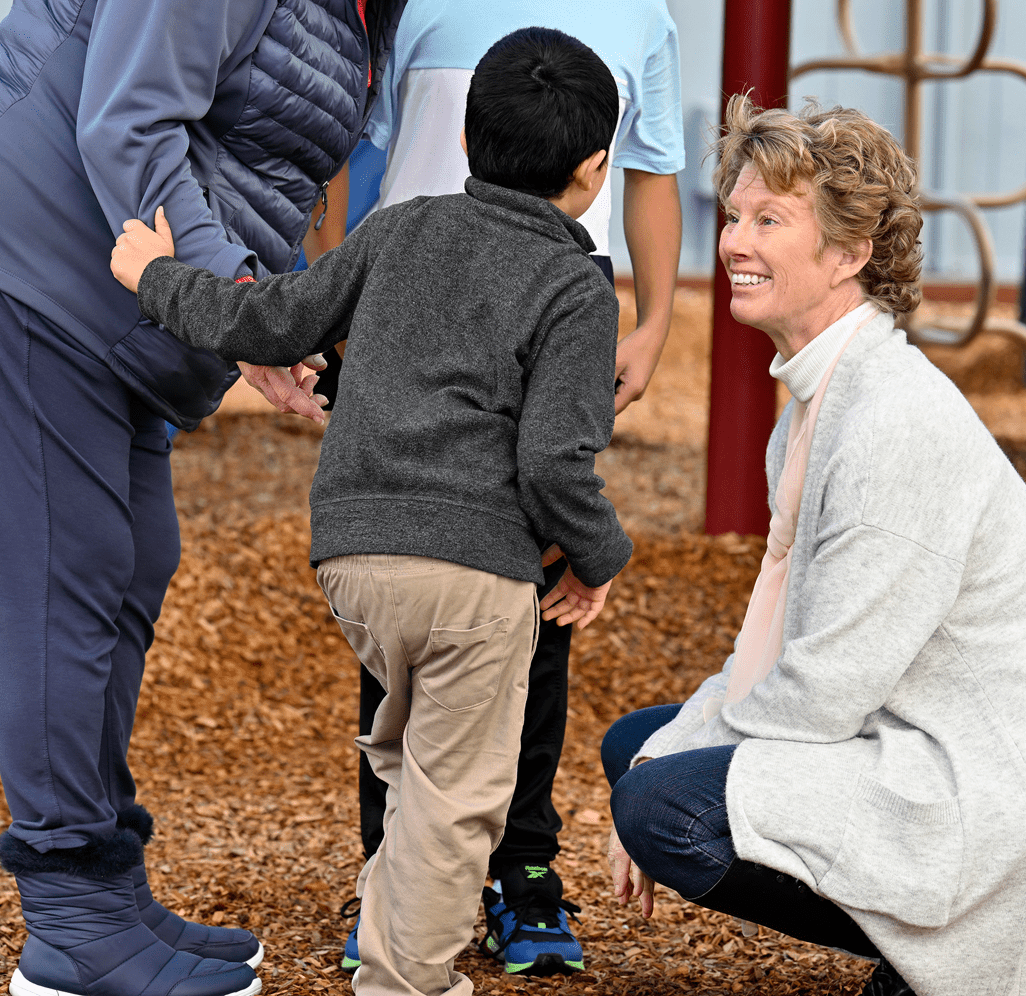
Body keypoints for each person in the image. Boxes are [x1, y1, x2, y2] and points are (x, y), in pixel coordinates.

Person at [110, 27, 634, 996]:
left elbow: (270, 320)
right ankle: (406, 983)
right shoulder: (576, 286)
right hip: (474, 577)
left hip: (354, 562)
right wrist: (601, 557)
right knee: (458, 798)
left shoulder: (400, 230)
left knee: (409, 761)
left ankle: (391, 938)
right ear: (595, 169)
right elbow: (553, 464)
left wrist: (155, 276)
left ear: (466, 141)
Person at [601, 95, 1026, 996]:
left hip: (996, 792)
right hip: (916, 740)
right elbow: (782, 650)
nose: (734, 242)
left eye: (770, 220)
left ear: (850, 254)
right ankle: (917, 948)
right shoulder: (822, 404)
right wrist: (667, 751)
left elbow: (824, 691)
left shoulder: (890, 421)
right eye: (734, 215)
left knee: (660, 804)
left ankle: (946, 957)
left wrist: (656, 782)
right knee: (639, 749)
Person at [0, 2, 405, 995]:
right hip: (44, 266)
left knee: (132, 563)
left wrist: (260, 304)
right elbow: (129, 120)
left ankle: (106, 886)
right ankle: (72, 923)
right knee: (68, 582)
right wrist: (238, 300)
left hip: (130, 310)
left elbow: (255, 161)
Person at [339, 1, 684, 976]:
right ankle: (390, 872)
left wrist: (655, 321)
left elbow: (652, 167)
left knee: (538, 581)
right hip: (418, 284)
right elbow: (349, 149)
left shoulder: (641, 14)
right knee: (417, 572)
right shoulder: (408, 4)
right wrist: (336, 294)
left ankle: (522, 865)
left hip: (557, 287)